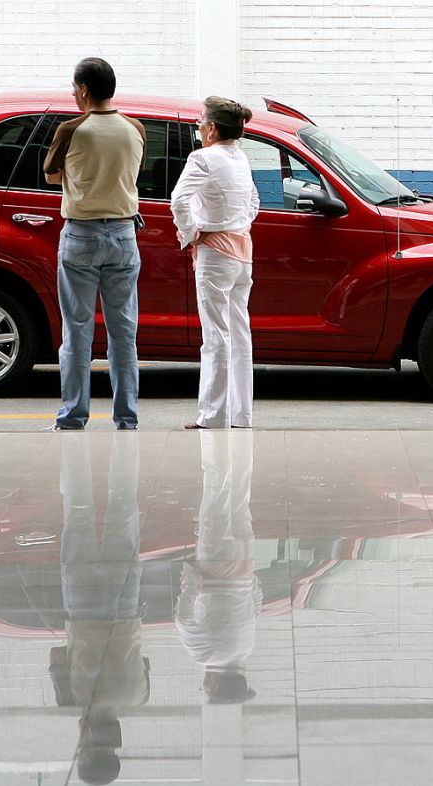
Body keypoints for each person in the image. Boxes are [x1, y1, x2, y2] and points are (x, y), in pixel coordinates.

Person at [43, 58, 146, 431]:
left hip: (81, 236)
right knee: (124, 333)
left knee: (77, 331)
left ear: (84, 90)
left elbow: (51, 175)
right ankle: (126, 417)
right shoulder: (135, 129)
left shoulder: (72, 128)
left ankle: (73, 416)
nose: (72, 94)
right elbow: (133, 174)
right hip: (123, 235)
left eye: (74, 88)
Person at [53, 436, 149, 784]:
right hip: (80, 607)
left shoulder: (138, 697)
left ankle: (125, 445)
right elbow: (57, 659)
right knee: (77, 509)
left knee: (123, 507)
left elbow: (143, 660)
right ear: (85, 750)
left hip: (124, 604)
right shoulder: (71, 701)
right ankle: (74, 449)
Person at [170, 97, 260, 430]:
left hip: (215, 254)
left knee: (215, 335)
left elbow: (178, 200)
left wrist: (194, 232)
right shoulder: (241, 158)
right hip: (242, 252)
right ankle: (241, 415)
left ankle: (212, 415)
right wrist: (236, 224)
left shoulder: (203, 158)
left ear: (211, 128)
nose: (198, 127)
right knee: (239, 332)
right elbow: (254, 202)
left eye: (200, 122)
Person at [175, 430, 260, 704]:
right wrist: (190, 583)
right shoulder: (206, 656)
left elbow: (256, 602)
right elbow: (184, 619)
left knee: (239, 495)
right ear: (216, 683)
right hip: (214, 566)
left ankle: (240, 440)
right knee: (215, 490)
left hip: (244, 563)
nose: (204, 685)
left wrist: (248, 577)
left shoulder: (246, 649)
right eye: (208, 689)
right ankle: (215, 436)